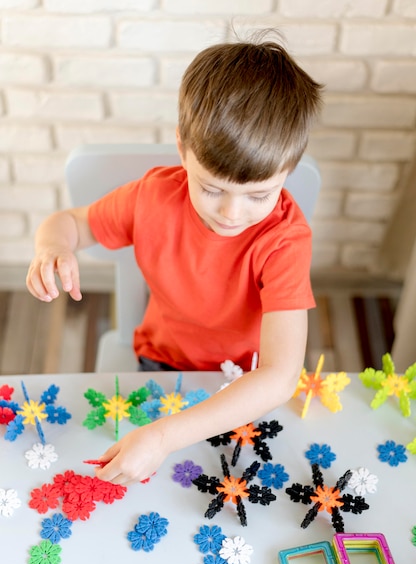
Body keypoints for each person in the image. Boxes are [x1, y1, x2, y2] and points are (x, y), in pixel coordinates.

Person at [26, 34, 323, 485]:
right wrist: (54, 246)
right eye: (211, 188)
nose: (231, 212)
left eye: (259, 195)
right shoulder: (151, 198)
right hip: (160, 364)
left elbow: (279, 378)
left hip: (242, 384)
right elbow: (69, 221)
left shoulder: (284, 240)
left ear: (289, 169)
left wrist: (165, 438)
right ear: (183, 148)